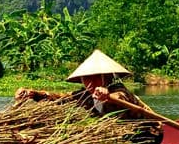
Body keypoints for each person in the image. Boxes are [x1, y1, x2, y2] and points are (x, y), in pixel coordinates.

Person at [15, 49, 149, 117]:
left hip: (144, 137)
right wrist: (34, 94)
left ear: (106, 77)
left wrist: (107, 97)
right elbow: (60, 97)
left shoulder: (119, 90)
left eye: (96, 77)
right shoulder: (84, 95)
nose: (90, 82)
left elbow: (120, 97)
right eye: (86, 78)